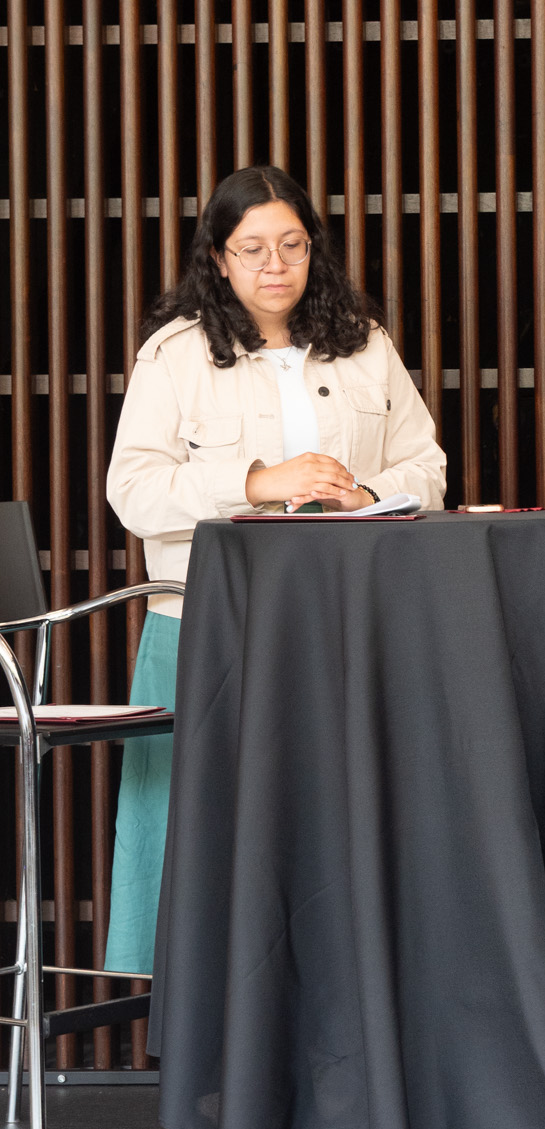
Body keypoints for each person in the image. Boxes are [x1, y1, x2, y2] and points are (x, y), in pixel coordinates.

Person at [104, 166, 447, 976]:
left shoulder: (365, 343)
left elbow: (426, 466)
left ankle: (339, 983)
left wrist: (367, 491)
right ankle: (200, 1006)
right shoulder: (176, 356)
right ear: (218, 260)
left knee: (334, 821)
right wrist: (259, 483)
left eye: (291, 246)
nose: (274, 266)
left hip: (348, 618)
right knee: (206, 823)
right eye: (252, 249)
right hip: (205, 625)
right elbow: (133, 491)